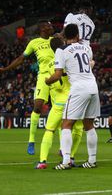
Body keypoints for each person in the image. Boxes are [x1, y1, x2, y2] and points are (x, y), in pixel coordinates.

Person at [0, 21, 61, 155]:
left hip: (57, 76)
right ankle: (31, 140)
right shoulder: (34, 43)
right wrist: (6, 69)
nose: (51, 27)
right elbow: (20, 58)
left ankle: (62, 147)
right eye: (49, 26)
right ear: (42, 29)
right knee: (37, 107)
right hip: (43, 76)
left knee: (59, 109)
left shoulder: (56, 41)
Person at [46, 24, 100, 170]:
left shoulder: (61, 50)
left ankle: (65, 161)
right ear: (77, 35)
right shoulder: (87, 48)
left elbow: (57, 75)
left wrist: (47, 81)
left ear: (64, 36)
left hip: (78, 89)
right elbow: (89, 64)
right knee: (89, 125)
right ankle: (92, 160)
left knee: (66, 124)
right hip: (93, 87)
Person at [35, 37, 84, 169]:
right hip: (74, 99)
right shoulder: (71, 59)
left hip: (59, 102)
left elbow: (54, 83)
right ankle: (71, 157)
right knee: (78, 129)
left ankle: (42, 161)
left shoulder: (51, 64)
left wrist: (47, 81)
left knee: (49, 130)